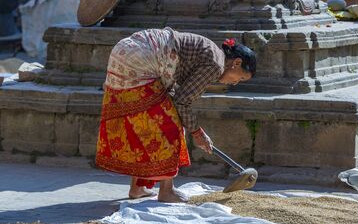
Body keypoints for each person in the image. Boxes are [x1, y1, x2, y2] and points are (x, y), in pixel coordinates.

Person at [95, 28, 256, 203]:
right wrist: (197, 132)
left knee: (146, 127)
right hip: (140, 60)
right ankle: (167, 191)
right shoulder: (216, 65)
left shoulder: (212, 53)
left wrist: (195, 129)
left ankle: (138, 188)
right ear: (236, 63)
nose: (235, 83)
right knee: (171, 127)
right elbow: (182, 101)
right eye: (240, 78)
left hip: (124, 52)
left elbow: (176, 93)